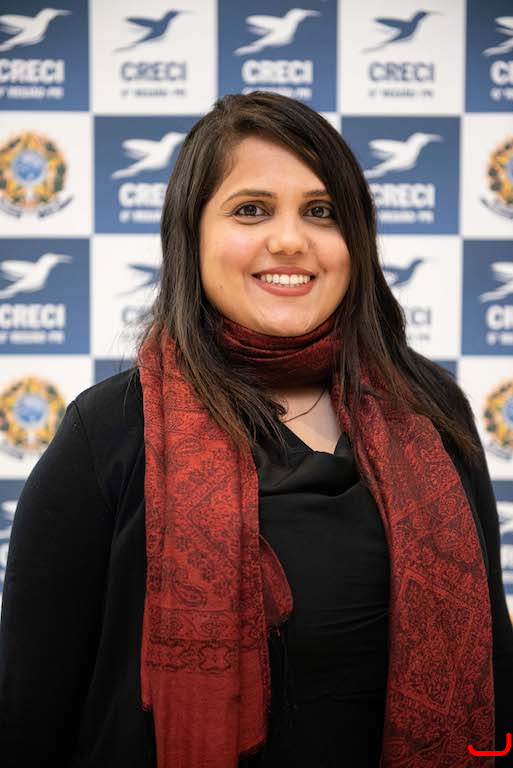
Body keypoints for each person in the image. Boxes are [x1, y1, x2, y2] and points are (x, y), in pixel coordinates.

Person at [0, 91, 512, 768]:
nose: (290, 239)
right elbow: (30, 716)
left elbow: (495, 672)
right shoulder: (109, 432)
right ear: (192, 234)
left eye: (321, 211)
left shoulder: (429, 408)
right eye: (251, 209)